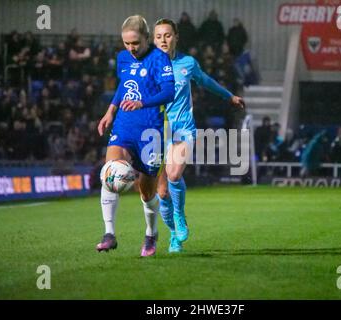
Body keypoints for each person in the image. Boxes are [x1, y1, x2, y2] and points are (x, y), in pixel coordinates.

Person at [153, 19, 245, 253]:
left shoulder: (187, 63)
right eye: (158, 36)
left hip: (183, 128)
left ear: (176, 37)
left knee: (174, 174)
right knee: (161, 192)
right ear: (154, 40)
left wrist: (229, 96)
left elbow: (206, 81)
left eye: (167, 35)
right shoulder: (148, 66)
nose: (163, 40)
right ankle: (174, 235)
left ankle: (180, 214)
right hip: (155, 132)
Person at [96, 15, 175, 257]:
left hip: (150, 131)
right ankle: (109, 233)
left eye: (135, 43)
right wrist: (110, 110)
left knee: (147, 191)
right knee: (110, 171)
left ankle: (151, 234)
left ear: (146, 39)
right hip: (124, 125)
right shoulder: (122, 58)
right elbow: (123, 84)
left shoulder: (159, 58)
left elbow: (169, 92)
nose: (131, 48)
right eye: (126, 43)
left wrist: (143, 102)